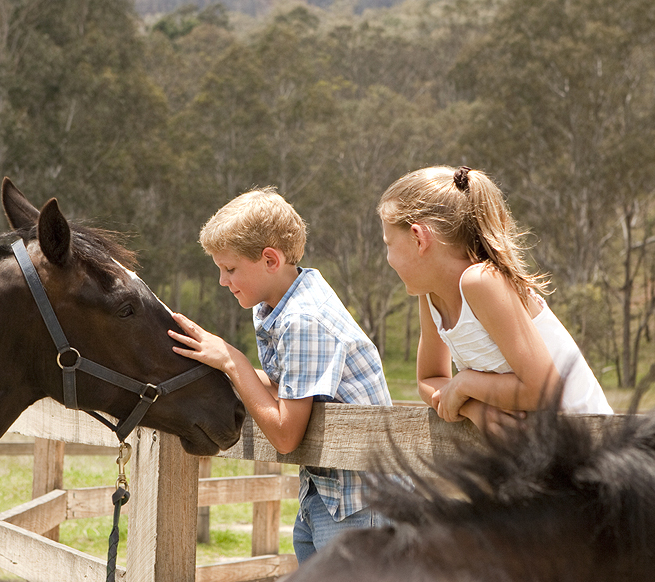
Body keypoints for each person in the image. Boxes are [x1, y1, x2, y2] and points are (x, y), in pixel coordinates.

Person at [168, 187, 392, 563]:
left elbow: (286, 436)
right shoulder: (285, 300)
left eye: (230, 269)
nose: (223, 281)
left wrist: (233, 362)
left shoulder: (303, 318)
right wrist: (216, 367)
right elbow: (293, 386)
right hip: (326, 493)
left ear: (270, 259)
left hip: (360, 503)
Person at [378, 165, 612, 430]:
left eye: (388, 243)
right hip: (537, 454)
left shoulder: (480, 281)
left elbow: (546, 390)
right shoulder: (432, 294)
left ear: (418, 238)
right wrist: (473, 406)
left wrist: (466, 383)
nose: (388, 258)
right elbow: (429, 379)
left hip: (589, 445)